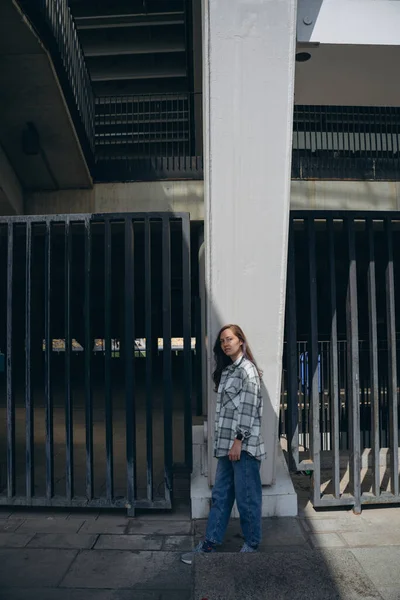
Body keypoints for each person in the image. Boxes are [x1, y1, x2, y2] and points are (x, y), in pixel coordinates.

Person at [181, 324, 265, 565]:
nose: (225, 344)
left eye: (230, 339)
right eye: (222, 341)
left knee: (247, 498)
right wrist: (228, 445)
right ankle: (210, 543)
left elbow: (249, 410)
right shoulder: (227, 372)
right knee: (221, 496)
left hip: (243, 447)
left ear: (241, 341)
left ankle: (252, 545)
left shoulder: (247, 370)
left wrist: (239, 440)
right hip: (227, 447)